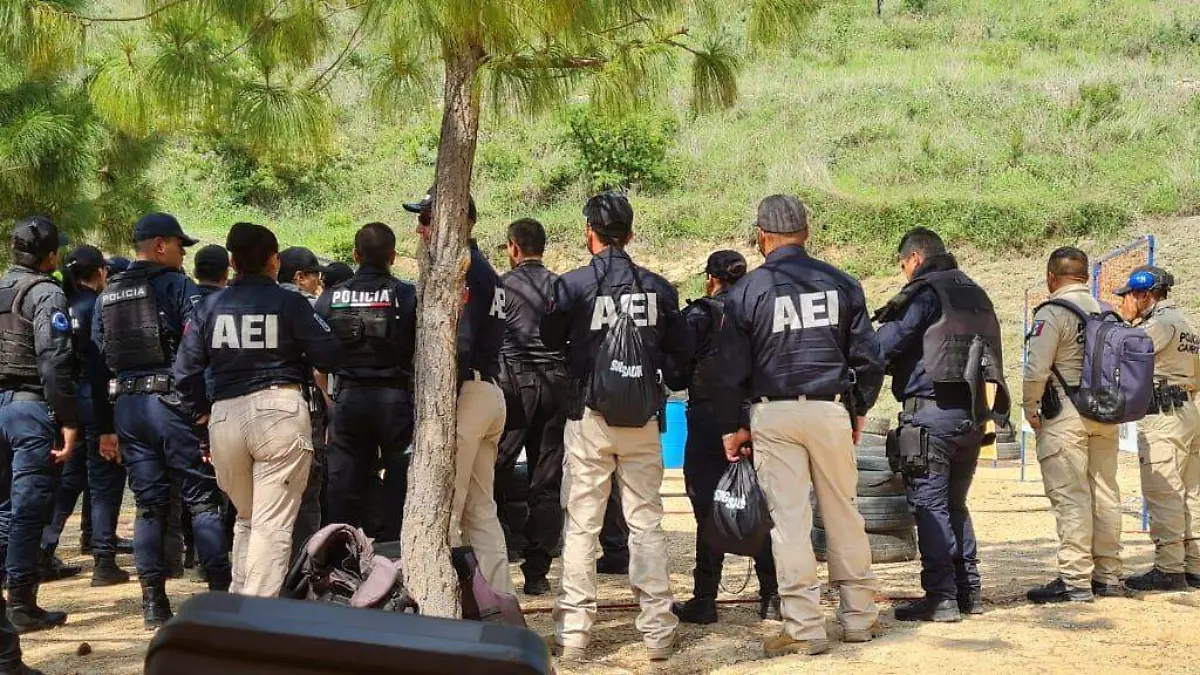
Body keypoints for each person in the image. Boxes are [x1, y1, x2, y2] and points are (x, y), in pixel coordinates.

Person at [716, 195, 883, 657]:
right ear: (806, 233)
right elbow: (868, 358)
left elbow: (729, 368)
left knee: (789, 521)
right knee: (844, 513)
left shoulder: (748, 291)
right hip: (830, 409)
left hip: (774, 414)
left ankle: (805, 629)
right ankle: (859, 618)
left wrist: (733, 425)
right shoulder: (842, 283)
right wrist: (859, 410)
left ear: (762, 237)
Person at [543, 191, 693, 662]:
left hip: (590, 418)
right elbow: (680, 355)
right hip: (643, 420)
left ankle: (573, 635)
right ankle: (658, 633)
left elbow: (549, 337)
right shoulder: (659, 288)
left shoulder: (573, 285)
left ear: (590, 233)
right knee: (645, 522)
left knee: (582, 526)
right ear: (630, 235)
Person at [175, 222, 344, 597]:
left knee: (248, 520)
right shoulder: (290, 303)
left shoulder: (208, 308)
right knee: (272, 526)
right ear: (274, 261)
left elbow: (184, 373)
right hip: (279, 413)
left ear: (232, 263)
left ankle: (240, 606)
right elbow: (330, 354)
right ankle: (257, 618)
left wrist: (202, 417)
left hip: (224, 417)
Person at [95, 212, 232, 629]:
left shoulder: (108, 294)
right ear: (159, 245)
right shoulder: (178, 286)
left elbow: (99, 362)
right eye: (179, 246)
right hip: (172, 404)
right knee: (202, 499)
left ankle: (153, 603)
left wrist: (105, 425)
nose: (183, 254)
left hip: (128, 408)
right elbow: (198, 350)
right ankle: (220, 599)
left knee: (149, 506)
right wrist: (202, 408)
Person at [875, 228, 1009, 621]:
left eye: (903, 265)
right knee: (955, 505)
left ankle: (942, 597)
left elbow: (882, 345)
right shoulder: (974, 291)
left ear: (915, 258)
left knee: (930, 505)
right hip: (973, 415)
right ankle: (969, 592)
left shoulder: (924, 293)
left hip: (931, 416)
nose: (904, 273)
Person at [404, 186, 513, 594]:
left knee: (443, 509)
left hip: (464, 395)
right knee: (481, 512)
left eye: (427, 220)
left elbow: (459, 345)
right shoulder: (486, 271)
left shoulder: (464, 272)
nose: (420, 229)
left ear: (461, 221)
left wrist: (438, 406)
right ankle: (499, 603)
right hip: (486, 393)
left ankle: (443, 605)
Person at [672, 250, 781, 625]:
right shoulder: (760, 309)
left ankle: (705, 599)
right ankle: (771, 597)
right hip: (756, 416)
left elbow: (676, 372)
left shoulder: (698, 315)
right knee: (759, 505)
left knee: (707, 507)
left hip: (708, 418)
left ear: (711, 280)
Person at [1023, 247, 1123, 603]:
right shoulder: (1107, 311)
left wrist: (1030, 407)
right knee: (1105, 494)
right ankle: (1108, 576)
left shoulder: (1053, 313)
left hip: (1065, 415)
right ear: (1085, 276)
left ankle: (1075, 580)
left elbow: (1036, 368)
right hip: (1106, 412)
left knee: (1071, 495)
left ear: (1051, 277)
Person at [0, 216, 76, 637]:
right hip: (29, 410)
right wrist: (69, 420)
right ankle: (21, 604)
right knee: (28, 512)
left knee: (3, 509)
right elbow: (54, 361)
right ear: (49, 257)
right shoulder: (47, 293)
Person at [316, 223, 416, 541]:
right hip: (395, 401)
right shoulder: (407, 295)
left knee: (343, 485)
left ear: (356, 255)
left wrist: (329, 400)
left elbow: (316, 355)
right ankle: (397, 550)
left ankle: (339, 553)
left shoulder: (331, 297)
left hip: (348, 401)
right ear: (393, 256)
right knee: (401, 481)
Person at [41, 246, 131, 588]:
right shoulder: (98, 306)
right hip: (95, 400)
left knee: (69, 480)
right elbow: (101, 362)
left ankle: (44, 549)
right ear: (100, 272)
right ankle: (104, 558)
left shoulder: (61, 304)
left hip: (67, 402)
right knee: (106, 479)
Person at [492, 218, 571, 595]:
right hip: (557, 384)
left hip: (514, 384)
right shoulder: (562, 286)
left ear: (513, 247)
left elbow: (491, 334)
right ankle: (538, 571)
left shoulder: (501, 286)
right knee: (547, 477)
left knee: (493, 466)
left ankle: (502, 544)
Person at [1114, 266, 1200, 592]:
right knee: (1191, 493)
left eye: (1128, 296)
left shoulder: (1158, 325)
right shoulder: (1185, 323)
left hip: (1163, 414)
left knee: (1164, 491)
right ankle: (1194, 565)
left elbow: (1127, 354)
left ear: (1143, 294)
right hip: (1187, 410)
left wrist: (1123, 324)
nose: (1125, 301)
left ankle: (1169, 569)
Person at [276, 246, 330, 554]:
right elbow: (323, 361)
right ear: (299, 277)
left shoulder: (257, 302)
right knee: (307, 489)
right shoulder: (306, 306)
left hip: (256, 412)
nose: (317, 284)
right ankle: (304, 564)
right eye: (315, 277)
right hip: (303, 409)